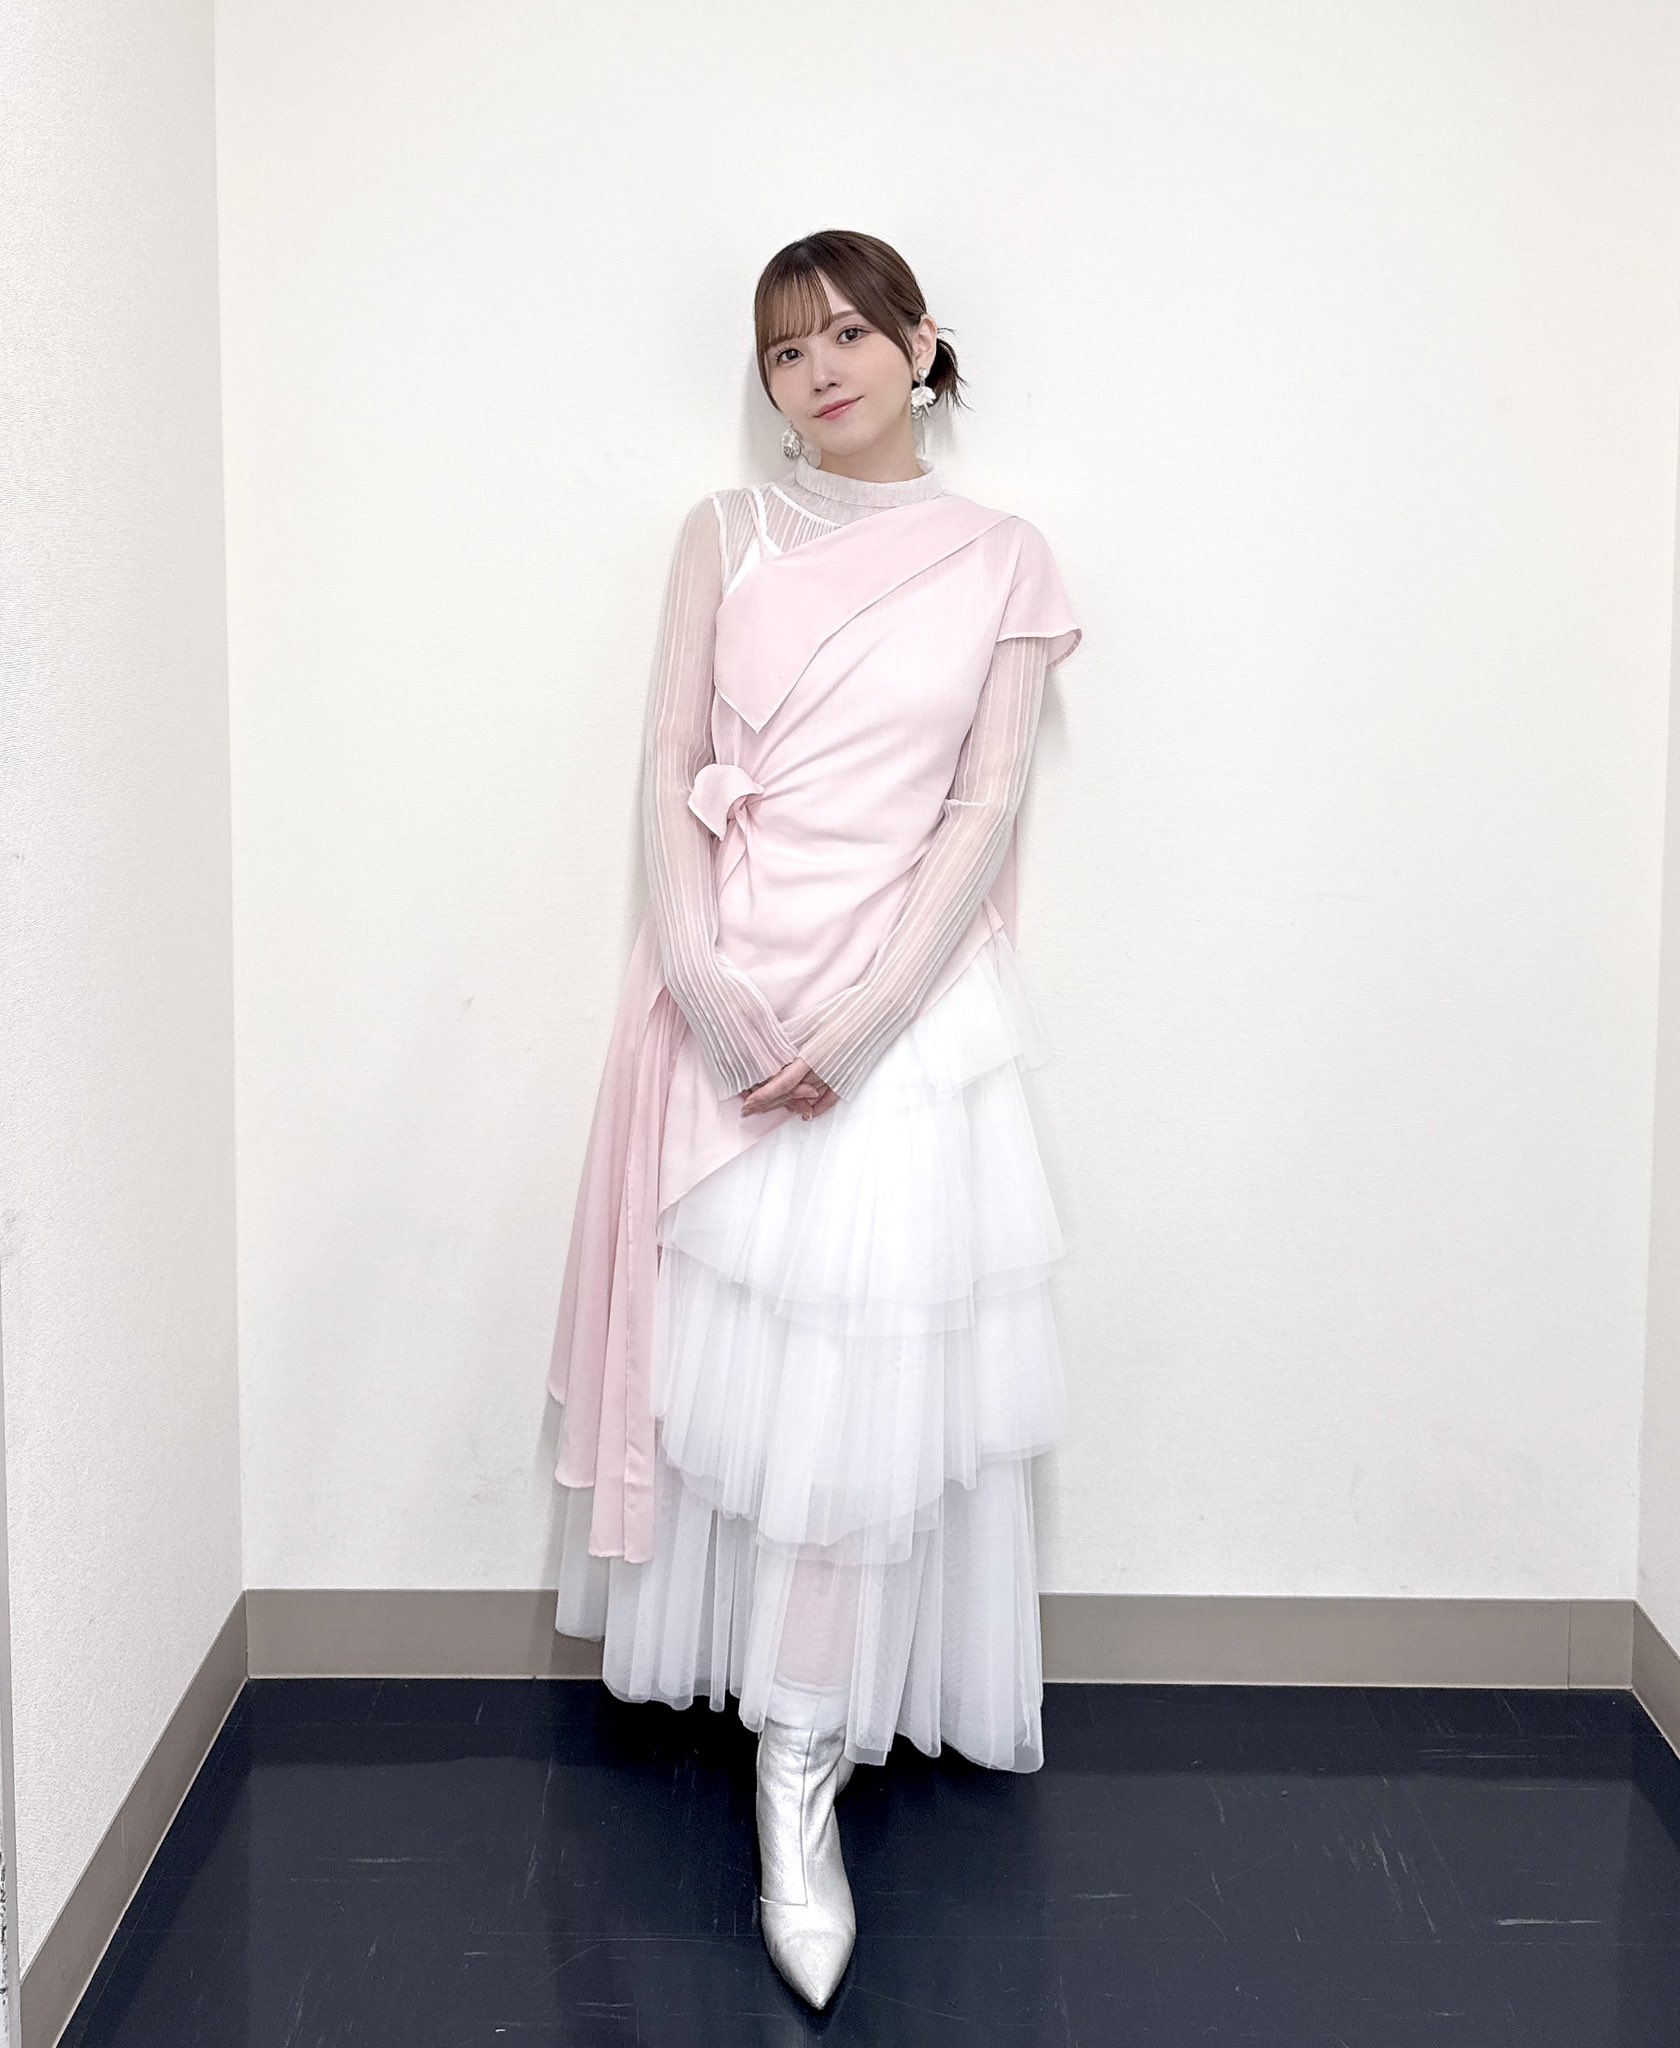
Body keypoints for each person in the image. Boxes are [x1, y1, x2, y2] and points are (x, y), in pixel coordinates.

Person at [545, 228, 1082, 2010]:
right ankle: (781, 1740)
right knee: (744, 1397)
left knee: (856, 1412)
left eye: (852, 331)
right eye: (787, 349)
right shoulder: (724, 532)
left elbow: (982, 813)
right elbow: (663, 766)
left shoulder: (1003, 556)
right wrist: (707, 988)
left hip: (904, 1031)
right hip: (729, 1008)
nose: (822, 367)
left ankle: (801, 1774)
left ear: (921, 344)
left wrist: (858, 1026)